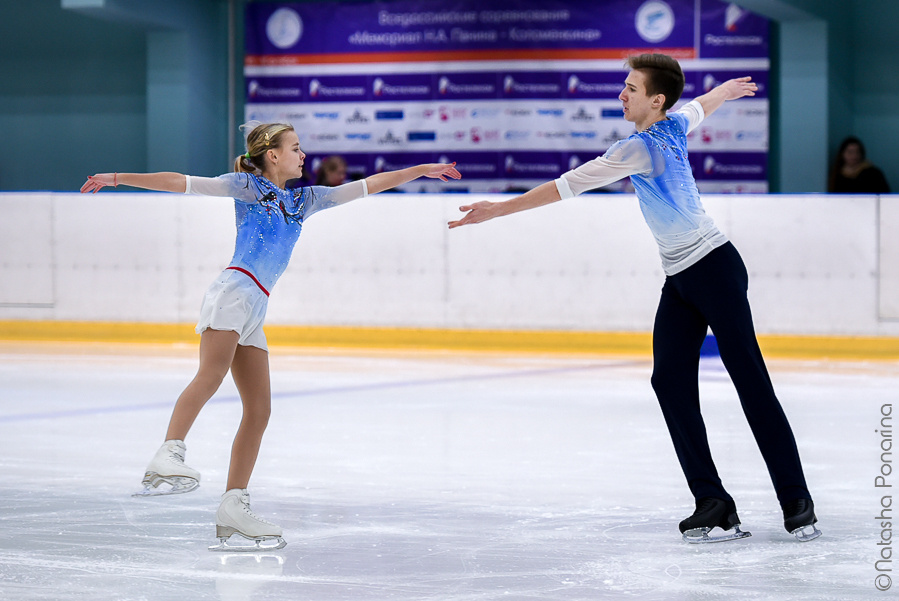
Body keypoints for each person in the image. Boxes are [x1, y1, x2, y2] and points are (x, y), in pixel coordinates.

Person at [449, 54, 820, 544]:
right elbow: (700, 107)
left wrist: (497, 210)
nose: (621, 94)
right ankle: (713, 501)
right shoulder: (672, 124)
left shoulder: (638, 148)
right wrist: (723, 93)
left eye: (630, 88)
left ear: (655, 100)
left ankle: (796, 502)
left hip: (713, 268)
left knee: (750, 381)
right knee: (669, 379)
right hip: (681, 277)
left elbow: (567, 186)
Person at [81, 122, 461, 551]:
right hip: (233, 291)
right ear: (273, 155)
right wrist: (116, 178)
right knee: (210, 376)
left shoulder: (305, 200)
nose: (303, 155)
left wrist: (420, 169)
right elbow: (183, 184)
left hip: (255, 306)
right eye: (295, 148)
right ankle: (168, 454)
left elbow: (368, 186)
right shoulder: (247, 187)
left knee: (259, 410)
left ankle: (233, 507)